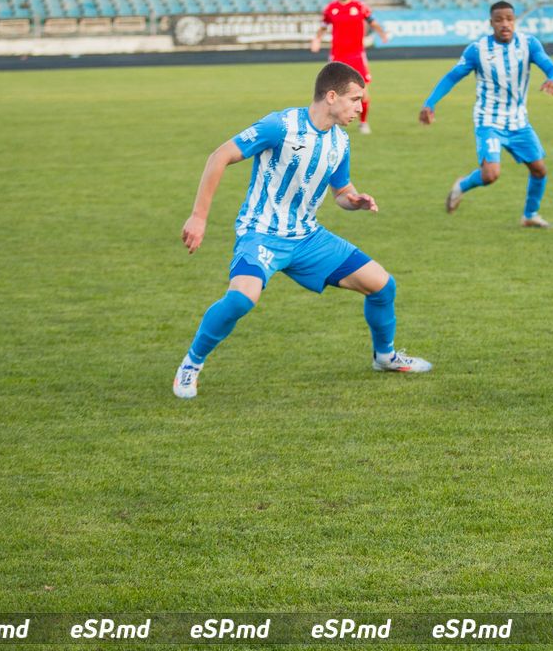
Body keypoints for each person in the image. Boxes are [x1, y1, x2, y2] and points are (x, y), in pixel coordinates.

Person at [173, 61, 431, 400]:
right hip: (262, 232)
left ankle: (385, 357)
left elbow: (340, 191)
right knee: (241, 299)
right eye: (355, 99)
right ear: (332, 95)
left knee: (383, 285)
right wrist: (198, 216)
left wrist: (354, 199)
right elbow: (219, 157)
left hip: (308, 238)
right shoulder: (280, 125)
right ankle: (192, 364)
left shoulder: (340, 142)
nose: (360, 107)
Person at [419, 1, 553, 229]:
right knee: (490, 175)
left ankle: (529, 215)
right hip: (489, 121)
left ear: (514, 21)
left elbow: (551, 67)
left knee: (539, 169)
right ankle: (461, 186)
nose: (505, 24)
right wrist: (430, 103)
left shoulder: (529, 44)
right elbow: (452, 77)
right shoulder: (478, 50)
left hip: (518, 121)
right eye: (499, 20)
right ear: (491, 23)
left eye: (509, 19)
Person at [310, 0, 391, 135]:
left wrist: (382, 34)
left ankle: (363, 122)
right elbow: (323, 27)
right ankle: (331, 123)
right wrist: (316, 40)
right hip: (337, 56)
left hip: (356, 56)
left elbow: (372, 22)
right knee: (332, 92)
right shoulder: (330, 9)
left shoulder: (360, 6)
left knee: (363, 92)